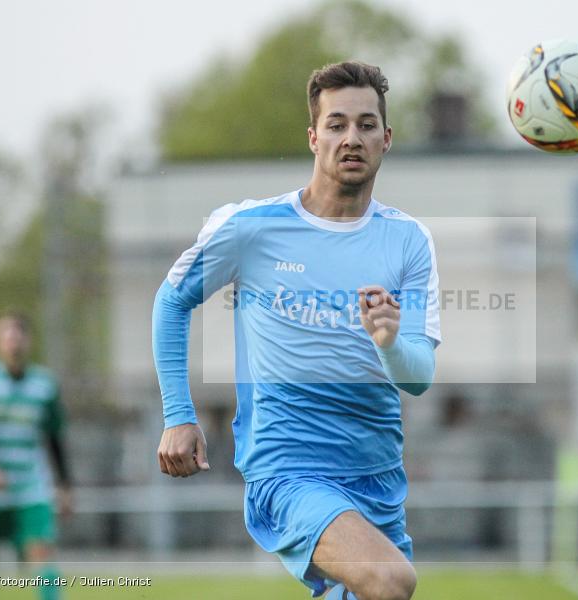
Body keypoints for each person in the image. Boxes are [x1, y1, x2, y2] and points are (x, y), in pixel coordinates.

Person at [152, 61, 440, 600]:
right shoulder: (253, 228)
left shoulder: (408, 241)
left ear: (387, 138)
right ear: (313, 138)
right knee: (390, 580)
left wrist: (390, 344)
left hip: (376, 477)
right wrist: (178, 415)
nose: (351, 138)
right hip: (288, 472)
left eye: (366, 124)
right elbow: (172, 300)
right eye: (336, 124)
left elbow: (419, 376)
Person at [0, 310, 72, 600]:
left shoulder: (44, 384)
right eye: (6, 335)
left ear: (27, 341)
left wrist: (65, 485)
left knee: (42, 552)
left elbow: (55, 437)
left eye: (18, 335)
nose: (13, 342)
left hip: (31, 486)